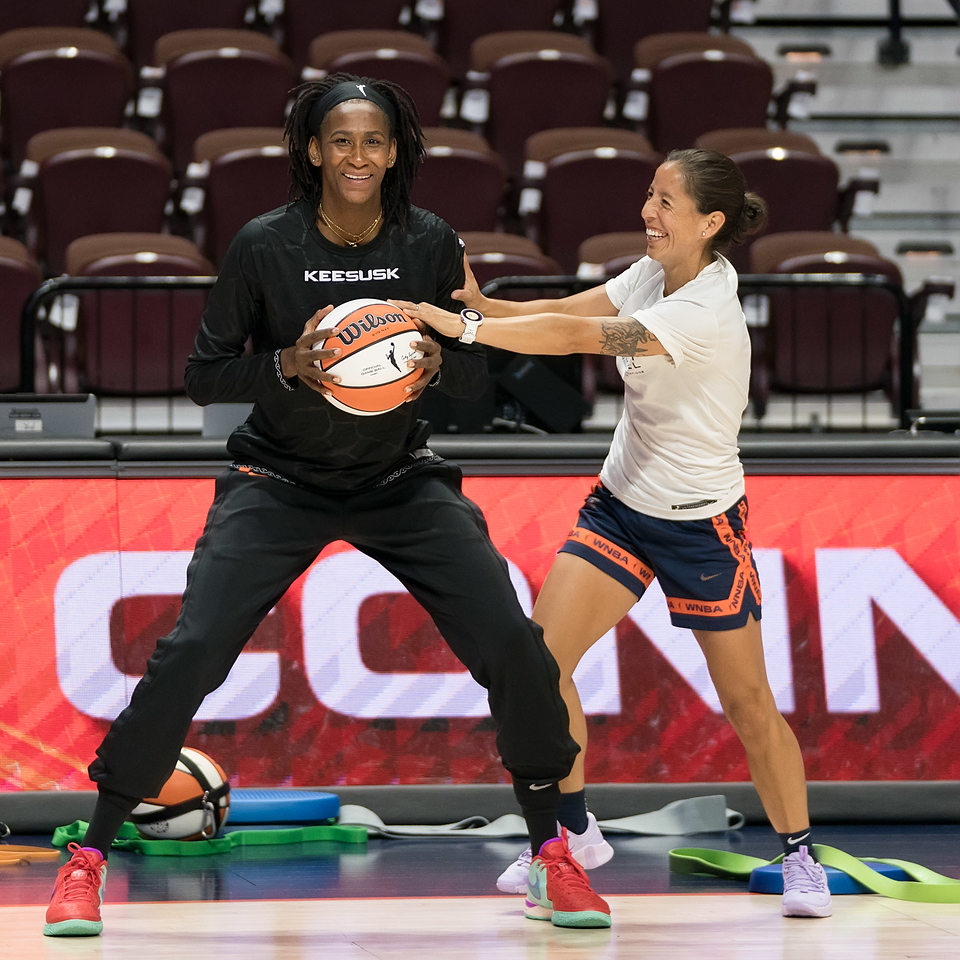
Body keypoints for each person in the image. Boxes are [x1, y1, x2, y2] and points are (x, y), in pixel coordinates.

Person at [44, 74, 611, 937]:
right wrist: (284, 367)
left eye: (374, 142)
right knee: (191, 651)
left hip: (399, 482)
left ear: (396, 151)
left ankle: (551, 854)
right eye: (340, 141)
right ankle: (88, 860)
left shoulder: (431, 242)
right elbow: (203, 376)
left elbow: (472, 371)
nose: (358, 156)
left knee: (515, 647)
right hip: (278, 482)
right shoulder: (264, 246)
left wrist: (436, 365)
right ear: (312, 149)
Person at [396, 148, 834, 919]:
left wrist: (464, 330)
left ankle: (802, 859)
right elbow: (572, 310)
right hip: (622, 506)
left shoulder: (702, 314)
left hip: (701, 524)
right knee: (538, 662)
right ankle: (574, 832)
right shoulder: (652, 274)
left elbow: (578, 343)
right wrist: (485, 307)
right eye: (649, 196)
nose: (648, 214)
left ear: (711, 222)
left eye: (666, 203)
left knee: (748, 703)